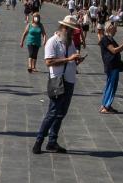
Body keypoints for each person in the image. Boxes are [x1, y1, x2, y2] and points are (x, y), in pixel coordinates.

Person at [34, 15, 83, 154]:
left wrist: (76, 60)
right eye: (72, 30)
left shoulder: (70, 42)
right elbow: (48, 62)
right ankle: (38, 141)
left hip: (69, 80)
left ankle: (52, 142)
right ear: (64, 28)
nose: (74, 33)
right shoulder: (52, 42)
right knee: (53, 112)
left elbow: (71, 59)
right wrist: (68, 59)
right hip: (57, 80)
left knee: (62, 113)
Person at [98, 21, 123, 113]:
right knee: (111, 86)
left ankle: (106, 105)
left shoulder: (110, 39)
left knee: (111, 85)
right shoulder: (106, 39)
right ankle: (105, 106)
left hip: (114, 64)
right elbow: (114, 51)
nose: (116, 30)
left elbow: (117, 51)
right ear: (110, 28)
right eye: (115, 28)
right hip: (111, 65)